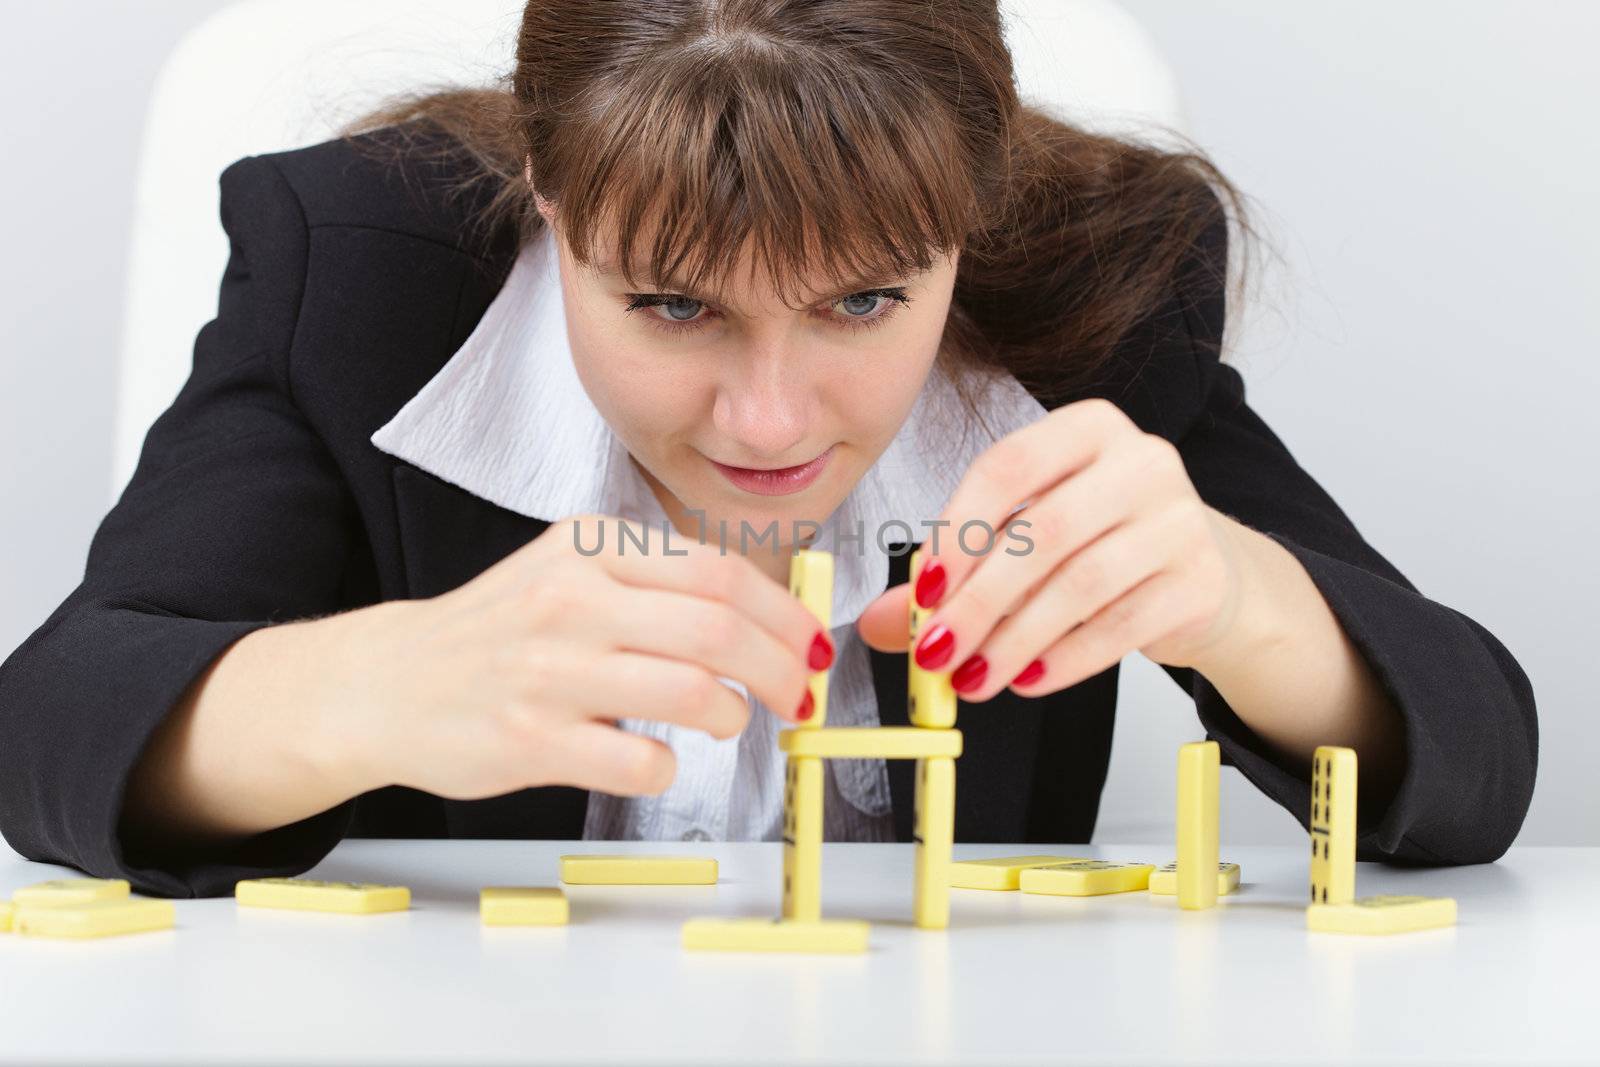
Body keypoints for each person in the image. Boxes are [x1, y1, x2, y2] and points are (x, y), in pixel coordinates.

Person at [0, 0, 1535, 897]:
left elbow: (1477, 773)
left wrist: (1245, 605)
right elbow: (47, 733)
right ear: (547, 193)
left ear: (975, 216)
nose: (772, 420)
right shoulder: (359, 266)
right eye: (670, 305)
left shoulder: (1105, 293)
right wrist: (378, 687)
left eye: (868, 299)